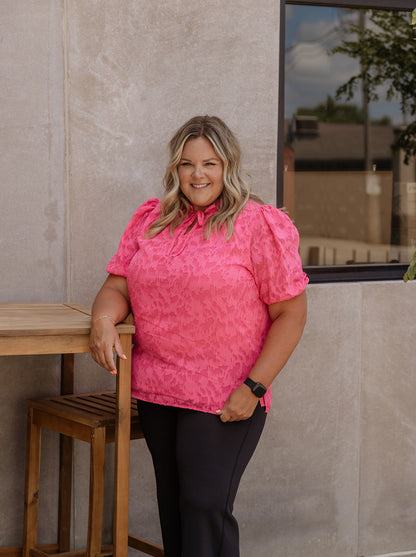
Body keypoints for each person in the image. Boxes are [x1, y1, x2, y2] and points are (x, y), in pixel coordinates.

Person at [89, 115, 308, 557]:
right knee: (175, 511)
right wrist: (103, 319)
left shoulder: (257, 224)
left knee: (205, 508)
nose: (198, 174)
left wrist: (254, 387)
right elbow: (117, 286)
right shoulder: (152, 220)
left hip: (226, 395)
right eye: (187, 164)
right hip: (158, 390)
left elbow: (290, 313)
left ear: (228, 165)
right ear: (175, 168)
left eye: (209, 163)